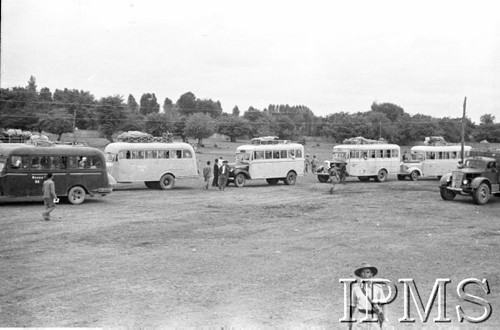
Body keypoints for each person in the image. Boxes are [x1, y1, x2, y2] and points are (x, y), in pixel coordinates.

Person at [348, 263, 389, 329]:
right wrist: (349, 320)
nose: (365, 275)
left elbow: (384, 305)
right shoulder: (356, 288)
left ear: (371, 274)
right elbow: (352, 306)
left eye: (367, 272)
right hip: (361, 317)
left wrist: (385, 320)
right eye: (363, 272)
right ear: (360, 274)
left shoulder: (378, 288)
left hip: (374, 317)